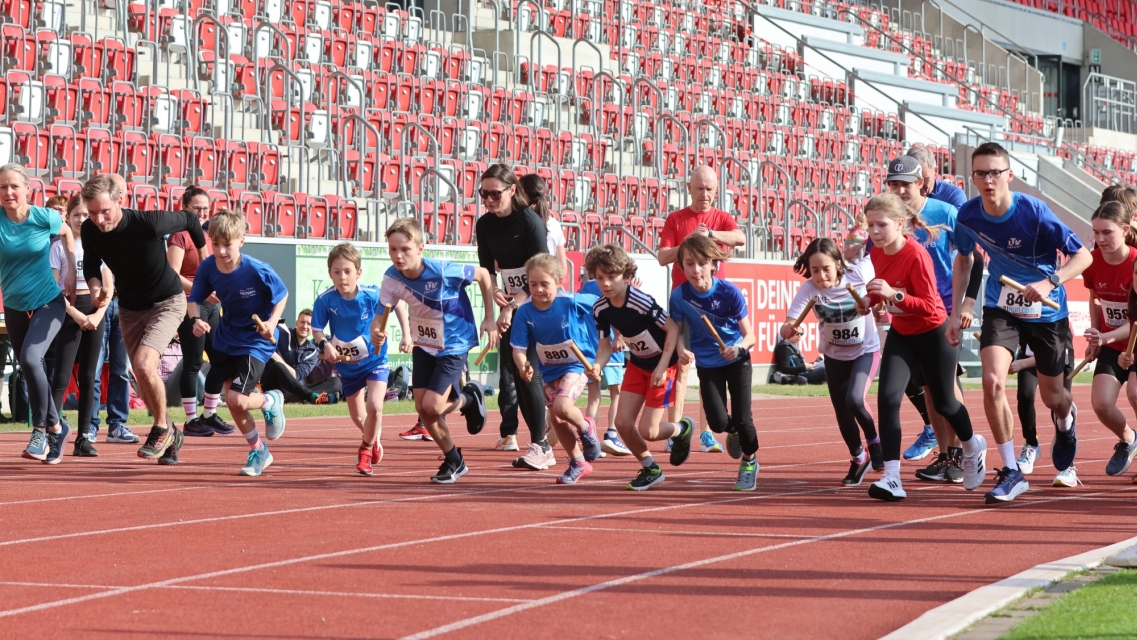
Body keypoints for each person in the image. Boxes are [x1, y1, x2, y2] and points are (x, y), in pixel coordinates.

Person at [948, 142, 1091, 503]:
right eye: (980, 173)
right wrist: (957, 308)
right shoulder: (968, 215)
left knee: (1052, 396)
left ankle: (1066, 419)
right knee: (992, 380)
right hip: (1003, 306)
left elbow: (1083, 256)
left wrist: (1050, 282)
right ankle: (1012, 470)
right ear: (973, 177)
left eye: (995, 172)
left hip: (1047, 311)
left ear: (1009, 175)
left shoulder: (1034, 212)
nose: (988, 180)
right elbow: (964, 259)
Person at [856, 193, 987, 502]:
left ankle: (972, 446)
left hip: (933, 333)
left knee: (945, 404)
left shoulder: (916, 254)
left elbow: (930, 306)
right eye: (870, 225)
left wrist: (894, 295)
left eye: (881, 225)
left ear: (900, 223)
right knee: (888, 398)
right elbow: (883, 286)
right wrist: (869, 300)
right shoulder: (876, 251)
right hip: (902, 333)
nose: (874, 232)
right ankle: (892, 477)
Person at [82, 173, 208, 462]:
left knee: (143, 363)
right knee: (142, 373)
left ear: (120, 200)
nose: (99, 219)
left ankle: (161, 427)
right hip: (129, 308)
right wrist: (95, 288)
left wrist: (205, 263)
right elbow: (91, 263)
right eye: (92, 213)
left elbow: (191, 219)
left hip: (167, 301)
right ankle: (172, 434)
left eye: (105, 211)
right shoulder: (90, 229)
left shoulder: (149, 222)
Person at [884, 155, 980, 484]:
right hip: (909, 312)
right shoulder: (889, 218)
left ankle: (964, 452)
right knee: (928, 387)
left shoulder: (946, 213)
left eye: (905, 184)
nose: (899, 190)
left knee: (946, 385)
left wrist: (964, 307)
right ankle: (947, 454)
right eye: (893, 184)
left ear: (921, 183)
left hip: (943, 311)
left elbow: (974, 259)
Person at [380, 218, 495, 484]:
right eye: (393, 249)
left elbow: (482, 275)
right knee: (423, 409)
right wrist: (378, 330)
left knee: (432, 406)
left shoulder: (443, 271)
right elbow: (381, 315)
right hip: (424, 343)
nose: (398, 255)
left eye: (405, 249)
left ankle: (469, 398)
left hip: (454, 343)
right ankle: (454, 459)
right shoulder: (391, 277)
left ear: (420, 248)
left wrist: (489, 317)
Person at [188, 209, 289, 474]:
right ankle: (259, 450)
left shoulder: (257, 270)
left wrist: (272, 323)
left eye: (227, 244)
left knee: (238, 399)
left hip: (256, 339)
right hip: (226, 337)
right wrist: (195, 320)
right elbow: (194, 299)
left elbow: (281, 295)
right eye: (215, 244)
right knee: (232, 400)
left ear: (241, 241)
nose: (221, 251)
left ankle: (270, 401)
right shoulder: (208, 267)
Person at [587, 244, 694, 491]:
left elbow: (672, 329)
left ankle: (681, 428)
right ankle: (650, 468)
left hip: (664, 364)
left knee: (649, 431)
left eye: (612, 277)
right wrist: (597, 366)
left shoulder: (640, 301)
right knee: (623, 423)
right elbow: (604, 348)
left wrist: (662, 367)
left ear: (626, 275)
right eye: (600, 278)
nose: (605, 283)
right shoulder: (600, 308)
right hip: (637, 364)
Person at [657, 165, 746, 454]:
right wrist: (688, 243)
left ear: (716, 190)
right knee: (681, 365)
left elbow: (740, 238)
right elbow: (662, 257)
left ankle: (708, 433)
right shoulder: (676, 219)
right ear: (689, 188)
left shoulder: (721, 217)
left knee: (712, 366)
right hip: (683, 303)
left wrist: (711, 234)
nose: (704, 194)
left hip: (714, 306)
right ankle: (676, 430)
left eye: (709, 189)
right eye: (699, 188)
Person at [784, 238, 883, 486]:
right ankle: (859, 458)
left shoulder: (858, 273)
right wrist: (788, 329)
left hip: (865, 352)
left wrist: (880, 304)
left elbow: (880, 254)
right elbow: (789, 322)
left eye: (826, 269)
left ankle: (874, 442)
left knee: (855, 400)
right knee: (842, 412)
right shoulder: (809, 289)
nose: (820, 276)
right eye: (815, 270)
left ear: (838, 263)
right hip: (834, 357)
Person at [669, 235, 760, 491]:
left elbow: (750, 336)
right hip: (708, 365)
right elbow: (676, 332)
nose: (696, 270)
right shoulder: (679, 296)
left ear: (713, 264)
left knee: (744, 419)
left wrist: (738, 348)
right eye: (689, 263)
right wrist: (681, 350)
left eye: (702, 263)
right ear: (681, 266)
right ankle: (733, 430)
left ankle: (749, 461)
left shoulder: (729, 292)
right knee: (718, 423)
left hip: (737, 360)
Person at [0, 163, 78, 463]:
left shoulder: (44, 217)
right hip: (14, 305)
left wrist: (70, 271)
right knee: (29, 366)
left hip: (48, 301)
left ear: (27, 190)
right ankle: (57, 427)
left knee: (32, 358)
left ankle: (41, 430)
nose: (8, 192)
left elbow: (67, 233)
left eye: (14, 186)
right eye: (3, 187)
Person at [474, 164, 550, 468]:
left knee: (529, 373)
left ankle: (542, 444)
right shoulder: (484, 224)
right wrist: (493, 302)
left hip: (539, 303)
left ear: (512, 190)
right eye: (484, 194)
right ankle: (541, 443)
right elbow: (486, 271)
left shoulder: (530, 221)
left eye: (495, 194)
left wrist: (511, 306)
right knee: (519, 377)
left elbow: (540, 273)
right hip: (512, 304)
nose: (489, 200)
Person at [312, 242, 409, 476]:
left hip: (375, 361)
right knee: (358, 416)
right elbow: (317, 330)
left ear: (359, 272)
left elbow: (396, 305)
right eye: (337, 272)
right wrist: (325, 344)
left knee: (375, 405)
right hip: (347, 367)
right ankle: (373, 438)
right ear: (330, 273)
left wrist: (407, 334)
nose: (342, 277)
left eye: (347, 271)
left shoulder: (371, 294)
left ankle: (365, 451)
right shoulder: (325, 300)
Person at [511, 254, 603, 484]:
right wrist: (523, 365)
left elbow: (606, 306)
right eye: (533, 284)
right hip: (550, 370)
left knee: (562, 406)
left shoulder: (571, 301)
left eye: (545, 284)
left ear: (559, 281)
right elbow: (518, 349)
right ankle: (578, 462)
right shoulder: (524, 312)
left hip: (577, 364)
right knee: (557, 420)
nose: (539, 290)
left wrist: (617, 335)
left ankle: (586, 426)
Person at [49, 196, 112, 457]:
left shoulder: (100, 245)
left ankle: (84, 437)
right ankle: (50, 434)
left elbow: (108, 286)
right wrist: (75, 314)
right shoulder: (58, 247)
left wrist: (98, 316)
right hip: (68, 312)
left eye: (86, 215)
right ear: (68, 217)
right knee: (62, 376)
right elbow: (53, 287)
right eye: (76, 214)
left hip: (95, 313)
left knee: (89, 377)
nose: (81, 219)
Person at [1080, 201, 1137, 483]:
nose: (1100, 239)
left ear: (1125, 230)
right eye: (1096, 232)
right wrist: (1096, 335)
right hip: (1111, 345)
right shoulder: (1091, 261)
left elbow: (1135, 322)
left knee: (1136, 394)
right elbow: (1094, 299)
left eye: (1107, 232)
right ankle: (1128, 438)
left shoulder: (1135, 263)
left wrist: (1105, 336)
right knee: (1101, 404)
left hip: (1135, 342)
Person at [170, 186, 234, 438]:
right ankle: (190, 419)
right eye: (196, 208)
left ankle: (209, 414)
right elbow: (172, 275)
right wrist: (202, 290)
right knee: (194, 361)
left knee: (220, 359)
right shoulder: (179, 236)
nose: (201, 213)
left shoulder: (209, 236)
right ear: (184, 208)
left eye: (205, 209)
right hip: (190, 303)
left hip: (211, 305)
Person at [88, 173, 139, 446]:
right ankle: (89, 425)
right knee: (94, 369)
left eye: (121, 190)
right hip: (99, 305)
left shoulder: (135, 225)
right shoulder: (94, 228)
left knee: (121, 368)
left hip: (126, 306)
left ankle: (117, 424)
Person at [579, 272, 632, 456]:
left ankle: (591, 438)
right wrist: (619, 335)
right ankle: (611, 434)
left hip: (589, 349)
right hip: (609, 347)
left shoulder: (586, 287)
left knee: (594, 397)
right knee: (616, 393)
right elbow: (614, 313)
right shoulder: (614, 287)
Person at [1011, 343, 1075, 481]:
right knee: (1025, 395)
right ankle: (1031, 443)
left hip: (1058, 357)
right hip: (1028, 355)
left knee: (1059, 404)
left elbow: (1058, 354)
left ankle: (1068, 466)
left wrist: (1022, 363)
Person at [265, 311, 342, 404]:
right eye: (302, 322)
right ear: (296, 323)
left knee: (336, 382)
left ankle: (299, 398)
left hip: (293, 390)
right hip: (273, 385)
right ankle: (310, 396)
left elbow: (295, 376)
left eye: (309, 324)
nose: (305, 326)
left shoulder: (313, 353)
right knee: (278, 366)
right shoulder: (283, 334)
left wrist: (275, 356)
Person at [519, 174, 568, 285]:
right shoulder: (554, 223)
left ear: (522, 193)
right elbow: (562, 267)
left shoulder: (520, 223)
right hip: (548, 284)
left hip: (527, 285)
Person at [905, 144, 967, 209]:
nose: (920, 185)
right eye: (914, 180)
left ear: (935, 171)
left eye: (925, 179)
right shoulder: (900, 194)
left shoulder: (953, 195)